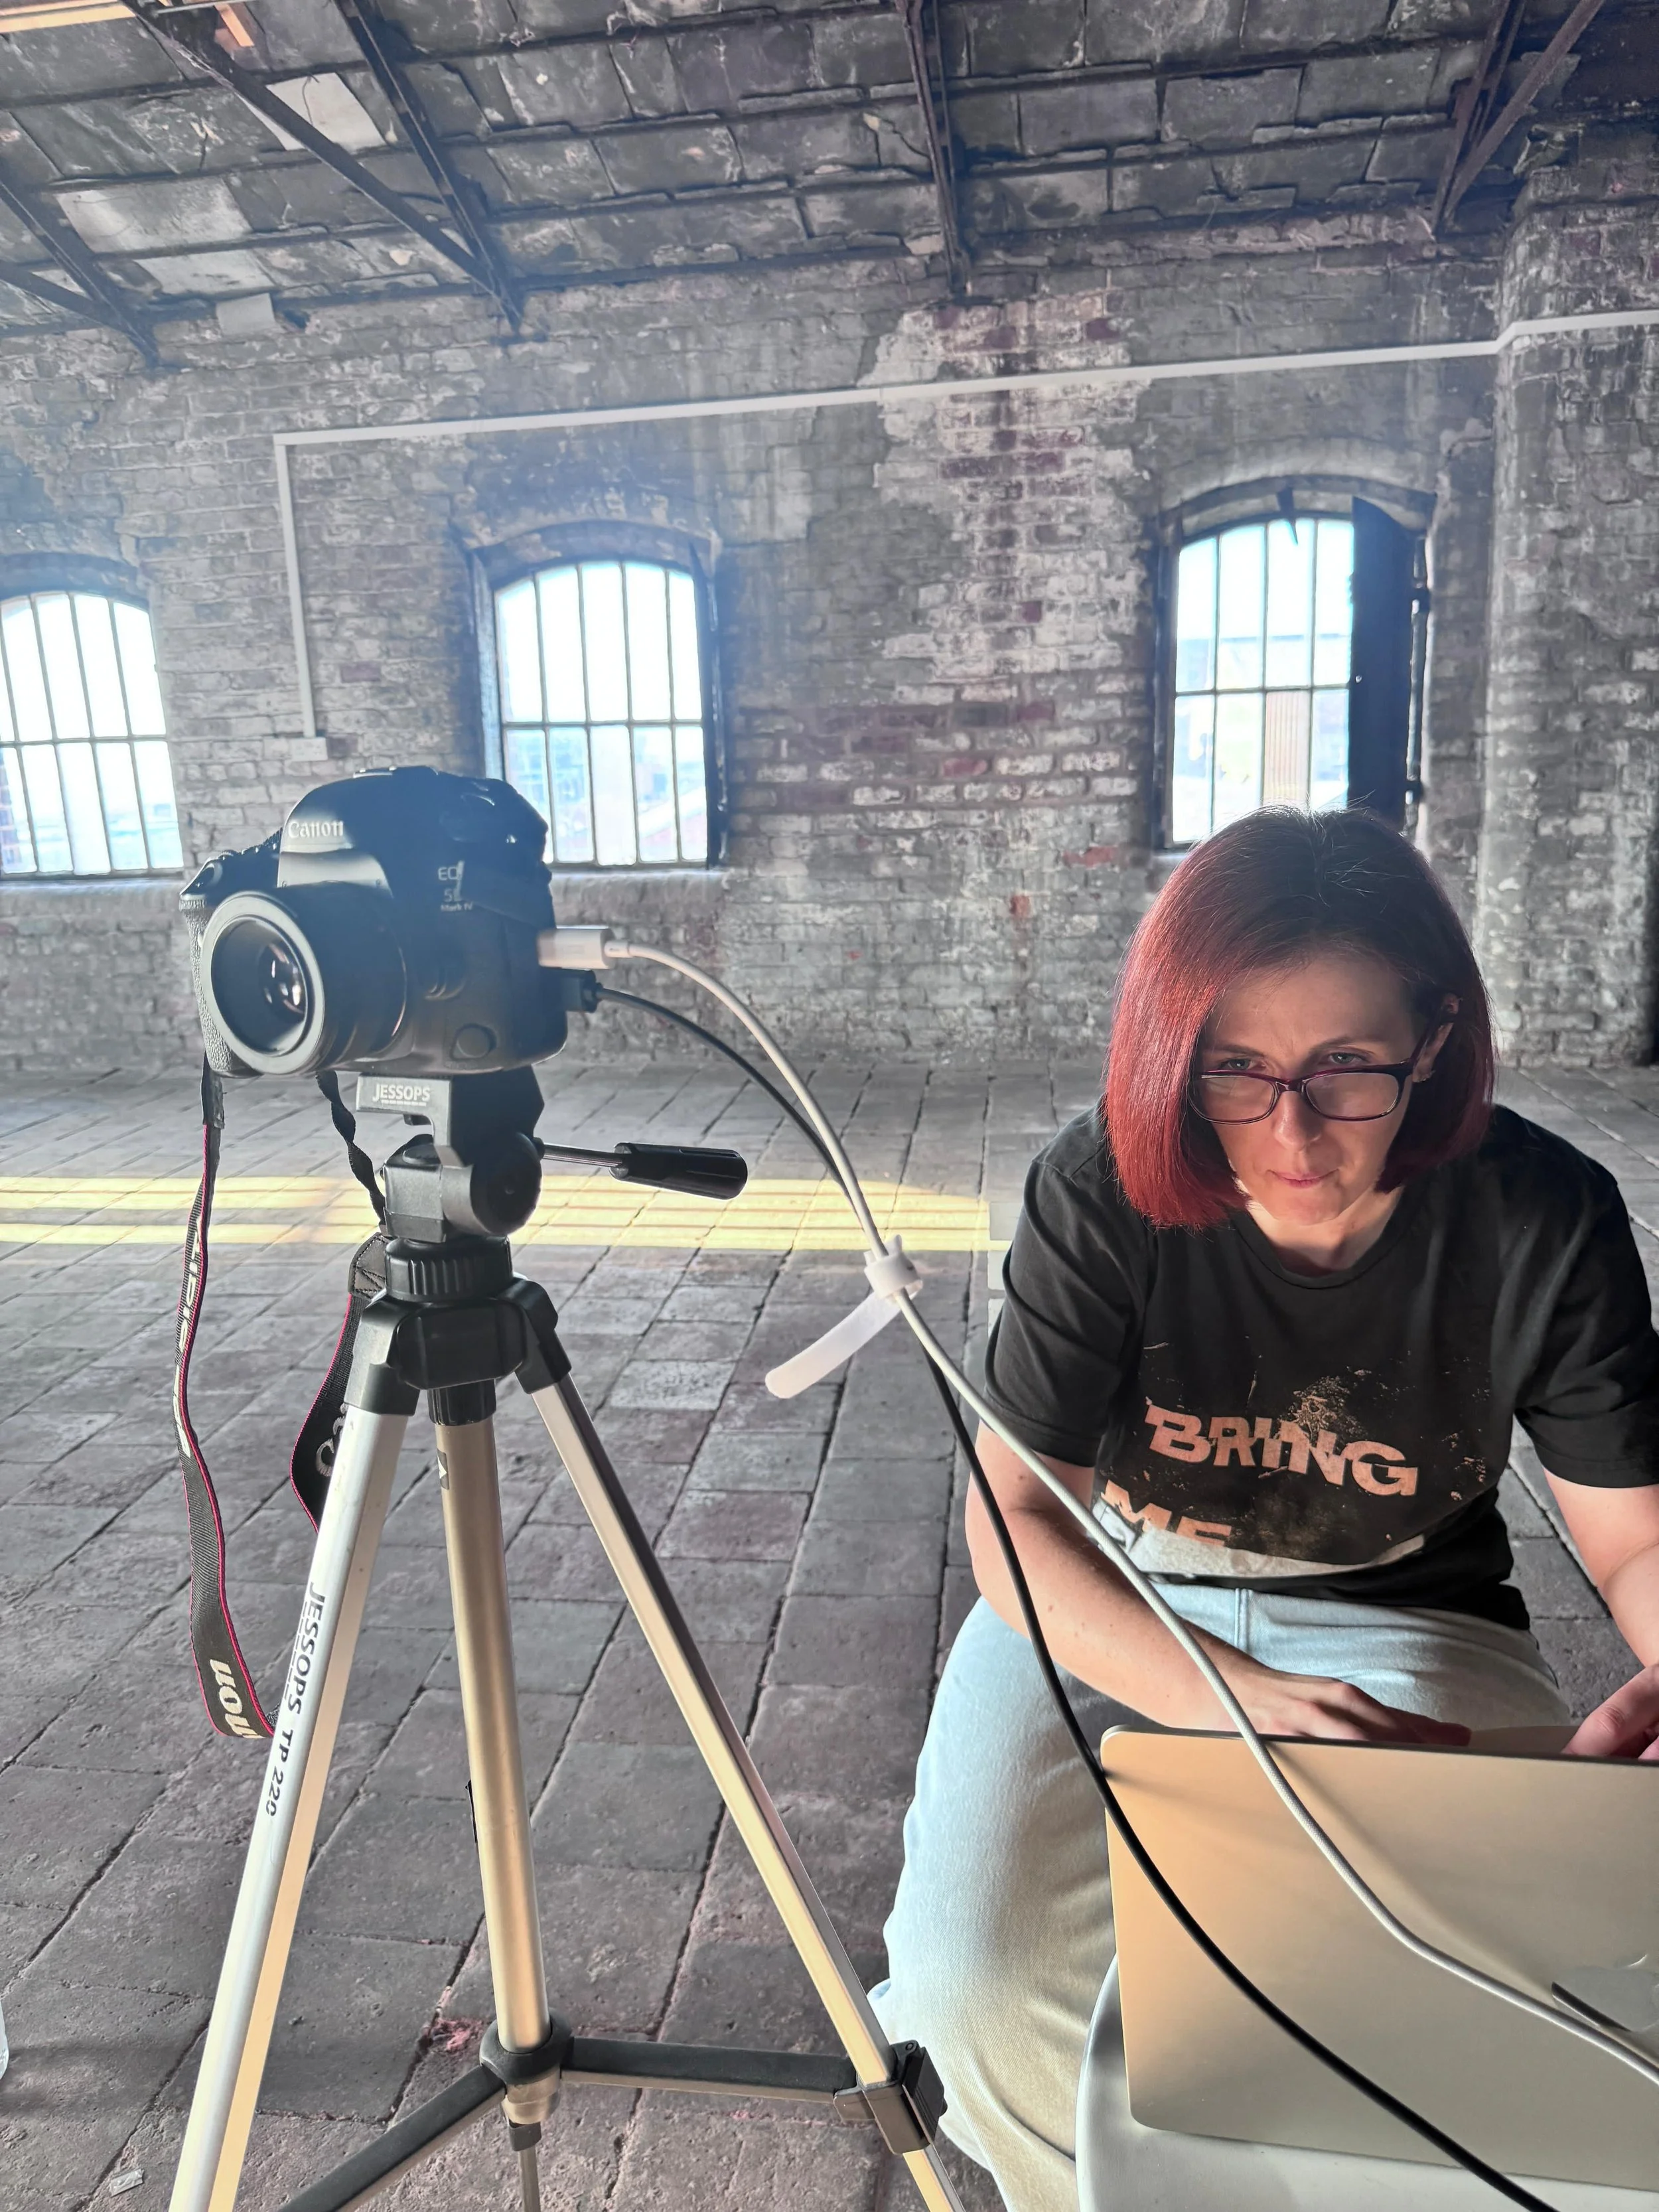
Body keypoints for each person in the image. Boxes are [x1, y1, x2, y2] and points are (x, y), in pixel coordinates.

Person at [870, 808, 1659, 2212]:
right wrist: (1233, 1698)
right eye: (1233, 1069)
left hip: (1406, 1601)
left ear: (1433, 1037)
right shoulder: (1100, 1188)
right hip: (1117, 1593)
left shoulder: (1543, 1213)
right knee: (970, 1994)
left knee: (1476, 1992)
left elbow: (1635, 1537)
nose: (1289, 1132)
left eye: (1346, 1067)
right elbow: (1014, 1526)